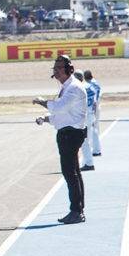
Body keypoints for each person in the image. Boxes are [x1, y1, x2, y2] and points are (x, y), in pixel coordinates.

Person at [32, 54, 89, 224]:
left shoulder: (74, 88)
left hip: (71, 134)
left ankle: (77, 211)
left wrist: (43, 102)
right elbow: (62, 113)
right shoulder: (66, 87)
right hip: (68, 132)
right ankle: (77, 210)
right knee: (73, 173)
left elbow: (60, 107)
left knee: (70, 173)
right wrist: (46, 118)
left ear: (69, 69)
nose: (55, 71)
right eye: (54, 68)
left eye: (58, 68)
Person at [74, 72, 95, 171]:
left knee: (84, 141)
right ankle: (87, 161)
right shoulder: (90, 87)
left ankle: (88, 162)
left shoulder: (79, 88)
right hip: (90, 114)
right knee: (86, 140)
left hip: (84, 116)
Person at [84, 70, 102, 158]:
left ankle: (95, 149)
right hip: (96, 106)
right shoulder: (96, 83)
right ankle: (97, 149)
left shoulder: (90, 85)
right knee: (95, 128)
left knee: (90, 130)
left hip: (93, 107)